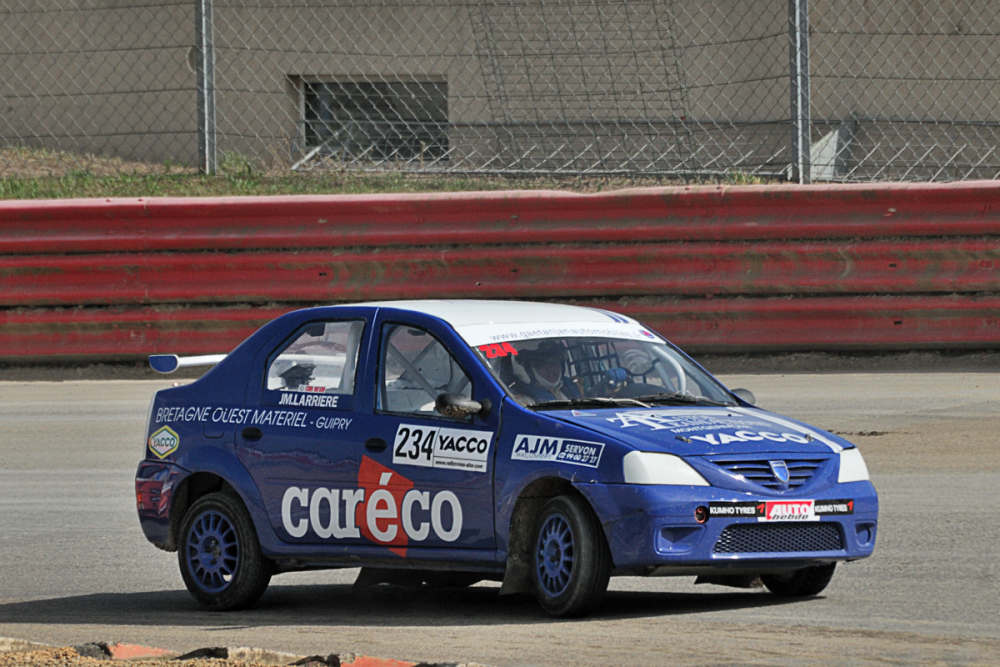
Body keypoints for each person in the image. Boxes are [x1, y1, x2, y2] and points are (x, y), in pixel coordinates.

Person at [513, 340, 582, 403]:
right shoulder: (520, 402)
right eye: (542, 365)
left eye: (554, 362)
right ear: (526, 370)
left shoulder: (571, 387)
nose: (551, 369)